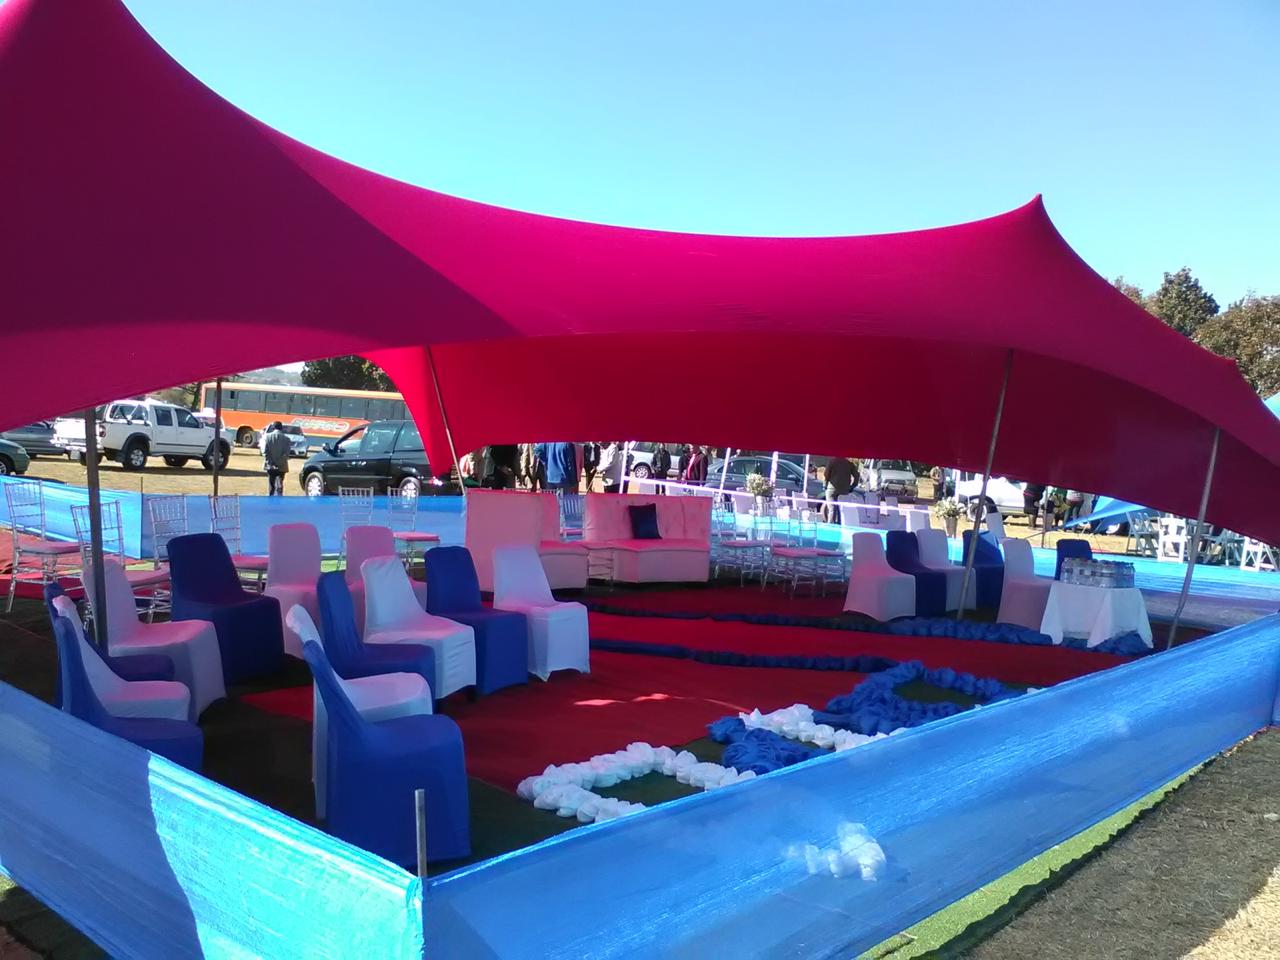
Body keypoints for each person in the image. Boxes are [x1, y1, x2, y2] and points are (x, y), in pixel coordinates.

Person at [259, 420, 291, 496]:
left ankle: (271, 497)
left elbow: (265, 451)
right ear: (281, 428)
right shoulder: (286, 439)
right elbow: (286, 454)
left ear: (273, 428)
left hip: (270, 465)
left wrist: (271, 462)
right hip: (282, 465)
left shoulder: (266, 437)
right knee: (280, 482)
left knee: (271, 483)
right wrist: (279, 462)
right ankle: (279, 496)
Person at [823, 456, 854, 523]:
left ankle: (831, 525)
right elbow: (857, 476)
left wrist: (825, 484)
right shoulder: (849, 464)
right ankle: (841, 524)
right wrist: (852, 486)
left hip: (832, 489)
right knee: (842, 510)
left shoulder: (831, 462)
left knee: (832, 509)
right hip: (844, 490)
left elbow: (826, 474)